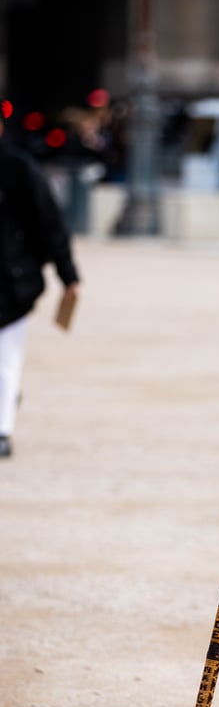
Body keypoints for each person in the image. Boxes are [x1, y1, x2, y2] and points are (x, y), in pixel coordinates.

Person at [0, 113, 81, 457]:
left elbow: (48, 223)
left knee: (6, 358)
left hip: (10, 280)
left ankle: (2, 428)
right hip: (14, 275)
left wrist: (68, 274)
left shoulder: (18, 169)